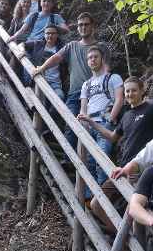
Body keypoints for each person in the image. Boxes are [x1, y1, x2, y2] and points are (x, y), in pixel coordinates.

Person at [78, 76, 153, 232]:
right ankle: (125, 243)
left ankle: (135, 247)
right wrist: (92, 122)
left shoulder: (152, 109)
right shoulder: (126, 115)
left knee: (135, 210)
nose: (130, 94)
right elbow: (113, 137)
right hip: (122, 168)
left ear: (141, 91)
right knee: (96, 204)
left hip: (142, 168)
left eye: (134, 90)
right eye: (127, 91)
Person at [33, 12, 102, 150]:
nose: (83, 27)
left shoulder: (101, 48)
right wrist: (42, 68)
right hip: (74, 92)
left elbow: (107, 71)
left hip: (95, 93)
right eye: (80, 25)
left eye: (86, 24)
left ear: (93, 26)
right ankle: (67, 159)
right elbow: (56, 58)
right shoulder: (72, 46)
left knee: (91, 130)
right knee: (70, 124)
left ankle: (85, 166)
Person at [78, 45, 124, 195]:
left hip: (105, 124)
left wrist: (110, 120)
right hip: (89, 125)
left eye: (95, 57)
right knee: (89, 162)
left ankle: (101, 197)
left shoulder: (113, 78)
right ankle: (89, 197)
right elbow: (83, 107)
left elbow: (119, 99)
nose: (92, 60)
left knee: (101, 160)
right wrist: (83, 123)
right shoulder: (86, 84)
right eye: (89, 58)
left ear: (102, 59)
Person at [22, 24, 66, 101]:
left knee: (60, 97)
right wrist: (23, 51)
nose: (50, 35)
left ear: (57, 35)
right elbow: (22, 44)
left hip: (54, 82)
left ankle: (50, 113)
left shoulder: (61, 48)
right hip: (38, 79)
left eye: (53, 33)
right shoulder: (38, 44)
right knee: (35, 99)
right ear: (44, 34)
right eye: (47, 33)